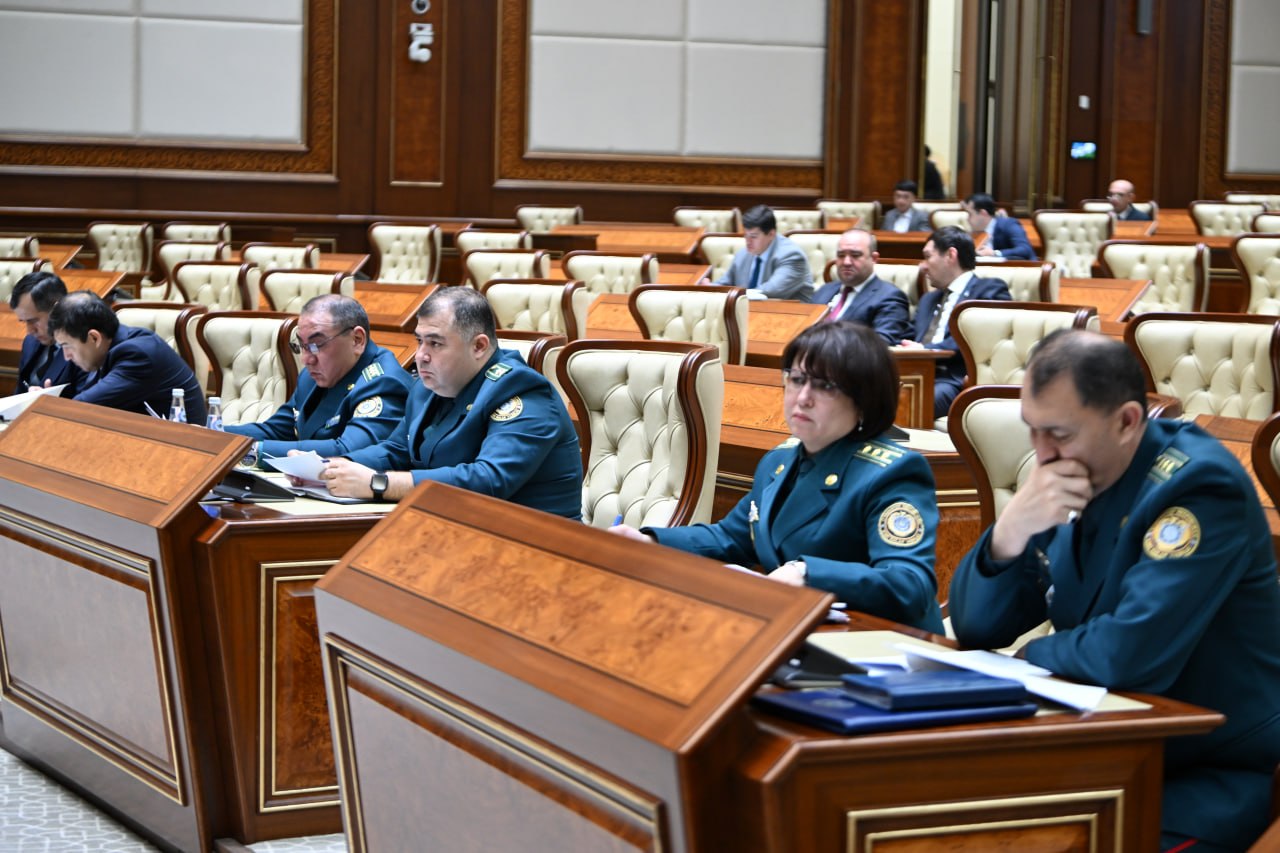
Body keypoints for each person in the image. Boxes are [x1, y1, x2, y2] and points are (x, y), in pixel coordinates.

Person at [948, 329, 1280, 852]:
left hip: (1201, 773)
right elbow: (976, 626)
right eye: (1032, 430)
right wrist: (1009, 530)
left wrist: (1031, 655)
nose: (1041, 453)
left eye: (1058, 433)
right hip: (1099, 747)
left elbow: (1130, 653)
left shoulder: (1196, 487)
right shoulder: (1071, 474)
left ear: (1126, 421)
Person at [609, 322, 944, 632]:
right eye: (797, 379)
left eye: (825, 386)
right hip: (799, 632)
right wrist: (651, 542)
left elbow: (909, 584)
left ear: (864, 400)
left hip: (883, 645)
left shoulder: (891, 473)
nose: (803, 398)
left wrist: (807, 572)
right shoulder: (780, 461)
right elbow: (732, 537)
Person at [316, 287, 583, 517]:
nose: (420, 356)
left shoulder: (522, 391)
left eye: (435, 344)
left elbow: (489, 480)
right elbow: (396, 451)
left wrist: (379, 483)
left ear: (479, 346)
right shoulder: (428, 388)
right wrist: (328, 467)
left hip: (536, 544)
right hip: (458, 531)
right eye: (419, 341)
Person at [226, 294, 414, 464]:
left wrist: (252, 451)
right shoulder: (312, 375)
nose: (306, 359)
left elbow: (348, 451)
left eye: (316, 345)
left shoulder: (384, 383)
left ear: (357, 340)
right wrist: (218, 436)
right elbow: (277, 431)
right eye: (302, 345)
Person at [899, 226, 1011, 419]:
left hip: (956, 380)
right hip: (915, 376)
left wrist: (926, 350)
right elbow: (907, 337)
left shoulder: (989, 290)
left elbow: (979, 339)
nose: (922, 266)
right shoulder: (928, 300)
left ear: (950, 255)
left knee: (905, 403)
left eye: (927, 257)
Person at [48, 291, 207, 424]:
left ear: (94, 338)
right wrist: (48, 397)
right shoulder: (112, 346)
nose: (66, 356)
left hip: (184, 446)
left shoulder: (138, 356)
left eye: (66, 345)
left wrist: (44, 404)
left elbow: (81, 408)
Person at [809, 229, 910, 344]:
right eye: (841, 255)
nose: (846, 262)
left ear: (874, 258)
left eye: (855, 255)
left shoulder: (890, 297)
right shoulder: (824, 290)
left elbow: (881, 343)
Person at [699, 204, 812, 301]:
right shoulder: (744, 254)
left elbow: (771, 291)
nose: (748, 241)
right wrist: (711, 288)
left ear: (771, 234)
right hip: (751, 312)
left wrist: (734, 295)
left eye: (753, 236)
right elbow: (726, 283)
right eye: (745, 235)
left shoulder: (791, 256)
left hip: (791, 314)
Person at [10, 270, 82, 394]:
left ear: (57, 310)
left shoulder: (84, 347)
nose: (29, 331)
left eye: (33, 320)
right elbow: (19, 392)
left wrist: (48, 402)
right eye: (24, 321)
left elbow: (88, 401)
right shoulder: (30, 342)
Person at [964, 193, 1037, 260]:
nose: (967, 219)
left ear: (983, 213)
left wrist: (994, 253)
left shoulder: (1008, 224)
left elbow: (1025, 250)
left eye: (970, 214)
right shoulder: (974, 233)